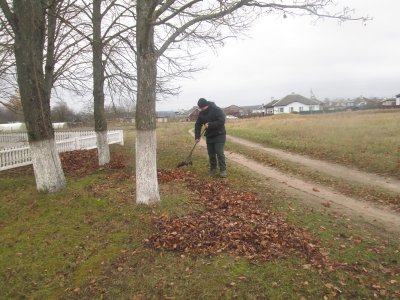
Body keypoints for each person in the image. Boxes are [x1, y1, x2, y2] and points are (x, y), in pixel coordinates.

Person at [194, 98, 227, 177]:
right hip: (209, 135)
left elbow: (221, 121)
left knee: (219, 152)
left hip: (219, 134)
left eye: (202, 108)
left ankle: (223, 170)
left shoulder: (216, 109)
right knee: (211, 154)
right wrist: (197, 136)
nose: (201, 109)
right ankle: (213, 169)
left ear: (206, 105)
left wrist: (210, 124)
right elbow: (198, 125)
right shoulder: (201, 113)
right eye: (200, 108)